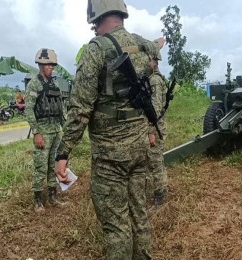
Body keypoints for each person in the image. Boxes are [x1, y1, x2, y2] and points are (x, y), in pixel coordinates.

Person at [54, 0, 165, 259]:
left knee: (117, 227)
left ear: (95, 18)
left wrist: (63, 153)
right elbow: (156, 53)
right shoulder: (143, 45)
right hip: (139, 149)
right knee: (140, 216)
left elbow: (80, 108)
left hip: (109, 157)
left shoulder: (96, 50)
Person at [25, 48, 65, 212]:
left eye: (52, 66)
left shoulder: (53, 84)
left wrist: (65, 128)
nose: (51, 68)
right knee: (40, 166)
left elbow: (60, 108)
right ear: (41, 65)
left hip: (56, 130)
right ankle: (38, 201)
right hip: (43, 131)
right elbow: (29, 109)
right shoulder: (35, 83)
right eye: (49, 65)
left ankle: (53, 196)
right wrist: (37, 132)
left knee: (52, 165)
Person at [147, 49, 168, 207]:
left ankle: (160, 196)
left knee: (155, 162)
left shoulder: (154, 80)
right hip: (156, 127)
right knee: (155, 161)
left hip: (156, 128)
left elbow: (155, 110)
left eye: (148, 60)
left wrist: (151, 132)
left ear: (154, 61)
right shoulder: (154, 78)